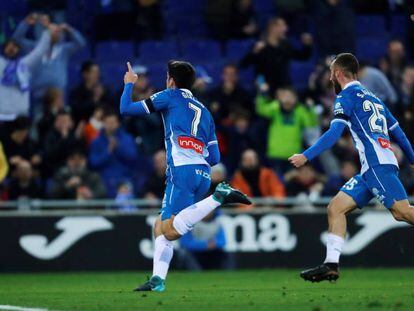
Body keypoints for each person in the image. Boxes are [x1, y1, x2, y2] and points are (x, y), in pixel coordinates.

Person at [120, 60, 251, 292]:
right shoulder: (205, 111)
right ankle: (157, 281)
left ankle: (219, 196)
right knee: (159, 227)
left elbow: (126, 109)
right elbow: (215, 156)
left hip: (181, 170)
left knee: (169, 229)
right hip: (202, 173)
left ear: (171, 80)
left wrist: (129, 85)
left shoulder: (168, 96)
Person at [289, 53, 414, 282]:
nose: (329, 79)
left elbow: (334, 133)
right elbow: (400, 133)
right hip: (373, 168)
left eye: (330, 73)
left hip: (377, 166)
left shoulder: (346, 97)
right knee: (335, 208)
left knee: (402, 212)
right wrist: (413, 160)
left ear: (337, 73)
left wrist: (306, 156)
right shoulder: (374, 98)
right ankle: (331, 265)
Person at [240, 17, 313, 94]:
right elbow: (244, 64)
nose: (286, 29)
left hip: (284, 88)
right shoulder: (259, 46)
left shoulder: (285, 45)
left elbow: (303, 57)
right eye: (282, 26)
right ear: (273, 28)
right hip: (265, 88)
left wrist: (307, 46)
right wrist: (254, 52)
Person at [256, 85, 317, 175]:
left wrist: (310, 109)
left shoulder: (299, 110)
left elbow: (311, 123)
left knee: (290, 183)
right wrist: (262, 95)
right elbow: (262, 110)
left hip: (293, 155)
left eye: (290, 96)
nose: (287, 99)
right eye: (285, 96)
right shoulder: (275, 108)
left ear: (295, 99)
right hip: (276, 154)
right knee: (277, 182)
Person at [0, 24, 51, 119]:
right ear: (4, 48)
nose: (12, 49)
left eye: (15, 47)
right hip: (2, 115)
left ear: (19, 50)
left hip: (21, 115)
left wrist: (47, 31)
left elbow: (40, 50)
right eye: (9, 46)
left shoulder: (25, 63)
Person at [89, 109, 138, 198]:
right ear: (103, 123)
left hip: (125, 179)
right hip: (103, 182)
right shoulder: (96, 141)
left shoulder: (127, 139)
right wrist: (108, 151)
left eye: (113, 122)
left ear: (118, 123)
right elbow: (93, 163)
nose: (111, 125)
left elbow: (133, 157)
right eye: (108, 123)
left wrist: (118, 148)